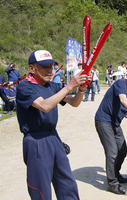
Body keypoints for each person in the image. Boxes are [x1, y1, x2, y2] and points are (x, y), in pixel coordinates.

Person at [16, 50, 88, 199]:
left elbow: (74, 102)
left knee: (67, 183)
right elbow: (44, 106)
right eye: (44, 67)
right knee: (41, 188)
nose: (50, 70)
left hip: (53, 137)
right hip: (36, 140)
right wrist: (69, 86)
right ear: (32, 68)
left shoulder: (52, 86)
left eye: (51, 66)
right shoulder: (25, 87)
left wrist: (81, 89)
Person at [94, 74, 127, 195]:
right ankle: (112, 183)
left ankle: (116, 174)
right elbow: (123, 100)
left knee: (122, 150)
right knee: (112, 152)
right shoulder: (121, 83)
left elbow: (125, 110)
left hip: (115, 123)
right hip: (103, 121)